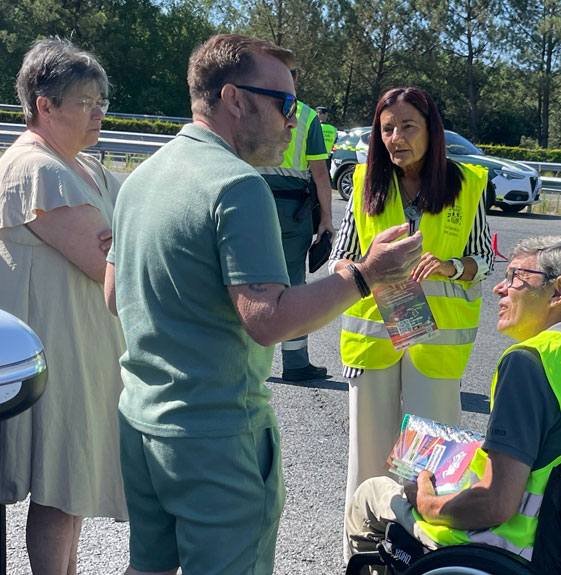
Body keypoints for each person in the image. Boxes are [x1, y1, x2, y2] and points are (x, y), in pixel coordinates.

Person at [103, 35, 422, 575]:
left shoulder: (143, 177)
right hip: (216, 437)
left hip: (143, 421)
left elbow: (115, 296)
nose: (294, 121)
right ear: (235, 98)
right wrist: (365, 275)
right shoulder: (237, 186)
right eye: (286, 104)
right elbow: (268, 320)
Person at [346, 236, 561, 562]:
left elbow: (494, 505)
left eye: (515, 278)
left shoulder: (530, 362)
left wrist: (427, 503)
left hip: (517, 548)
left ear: (559, 291)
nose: (498, 289)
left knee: (371, 494)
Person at [0, 38, 127, 575]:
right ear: (46, 104)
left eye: (102, 101)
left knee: (74, 486)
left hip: (82, 350)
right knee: (61, 488)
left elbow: (120, 244)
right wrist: (124, 244)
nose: (100, 112)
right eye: (88, 101)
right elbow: (110, 262)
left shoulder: (77, 165)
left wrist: (122, 242)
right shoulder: (36, 170)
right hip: (57, 355)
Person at [329, 86, 494, 553]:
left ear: (431, 131)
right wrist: (363, 268)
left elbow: (484, 259)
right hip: (375, 341)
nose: (395, 138)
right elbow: (339, 259)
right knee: (370, 460)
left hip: (436, 345)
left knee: (433, 466)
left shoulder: (466, 183)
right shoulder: (364, 183)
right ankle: (362, 556)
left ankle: (426, 556)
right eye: (386, 130)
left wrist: (451, 266)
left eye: (407, 127)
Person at [256, 81, 335, 381]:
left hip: (248, 202)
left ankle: (244, 359)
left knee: (242, 279)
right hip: (293, 211)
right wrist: (325, 218)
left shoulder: (249, 105)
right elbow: (319, 172)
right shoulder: (305, 115)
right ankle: (295, 362)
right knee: (293, 286)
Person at [317, 105, 337, 172]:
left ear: (318, 114)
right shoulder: (334, 129)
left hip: (316, 156)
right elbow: (334, 142)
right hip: (327, 157)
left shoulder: (316, 127)